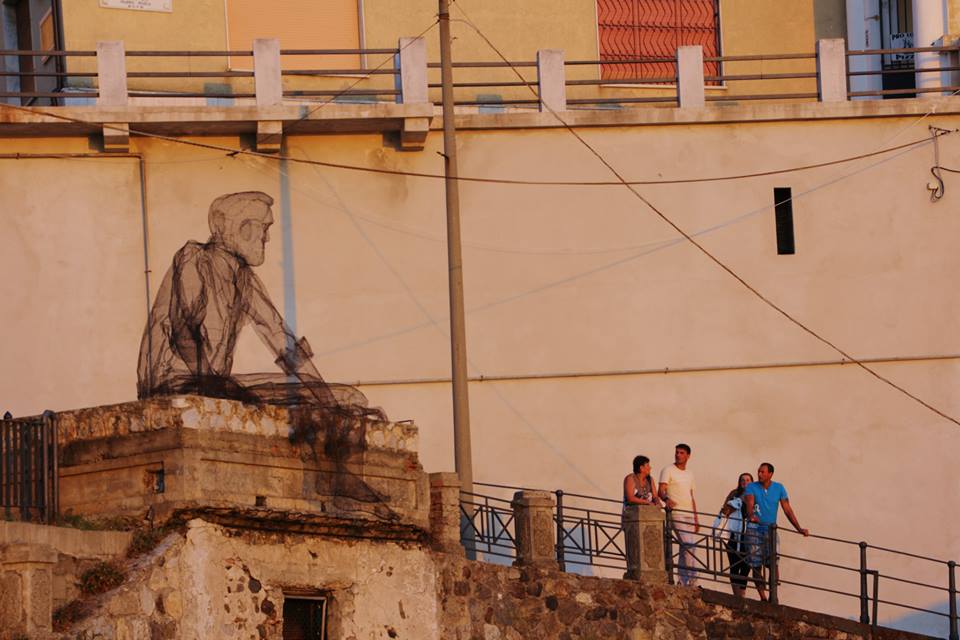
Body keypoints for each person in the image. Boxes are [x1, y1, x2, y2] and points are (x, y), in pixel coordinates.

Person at [136, 191, 366, 410]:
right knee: (312, 396)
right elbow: (184, 331)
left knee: (344, 396)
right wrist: (212, 386)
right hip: (175, 384)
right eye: (263, 228)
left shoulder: (245, 279)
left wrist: (321, 390)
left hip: (211, 386)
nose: (266, 238)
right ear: (240, 228)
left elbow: (279, 336)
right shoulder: (195, 259)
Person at [743, 462, 809, 595]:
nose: (759, 474)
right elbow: (750, 503)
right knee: (756, 564)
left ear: (770, 474)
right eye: (759, 472)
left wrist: (799, 528)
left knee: (773, 563)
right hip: (754, 529)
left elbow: (787, 510)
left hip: (770, 530)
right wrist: (752, 515)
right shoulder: (751, 487)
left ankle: (773, 595)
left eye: (763, 472)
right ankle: (762, 596)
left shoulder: (779, 488)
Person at [711, 472, 759, 599]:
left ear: (752, 482)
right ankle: (736, 595)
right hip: (733, 534)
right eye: (742, 480)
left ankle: (742, 593)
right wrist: (733, 505)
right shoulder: (734, 494)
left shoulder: (755, 494)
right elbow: (724, 509)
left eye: (748, 480)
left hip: (748, 533)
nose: (745, 482)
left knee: (746, 564)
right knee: (734, 564)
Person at [658, 443, 699, 586]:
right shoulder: (668, 470)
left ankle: (682, 581)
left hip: (688, 514)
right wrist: (666, 500)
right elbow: (661, 490)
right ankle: (693, 579)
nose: (678, 455)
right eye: (677, 452)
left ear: (688, 456)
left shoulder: (690, 474)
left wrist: (696, 518)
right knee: (689, 545)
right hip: (676, 513)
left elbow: (691, 496)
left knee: (684, 547)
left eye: (681, 453)